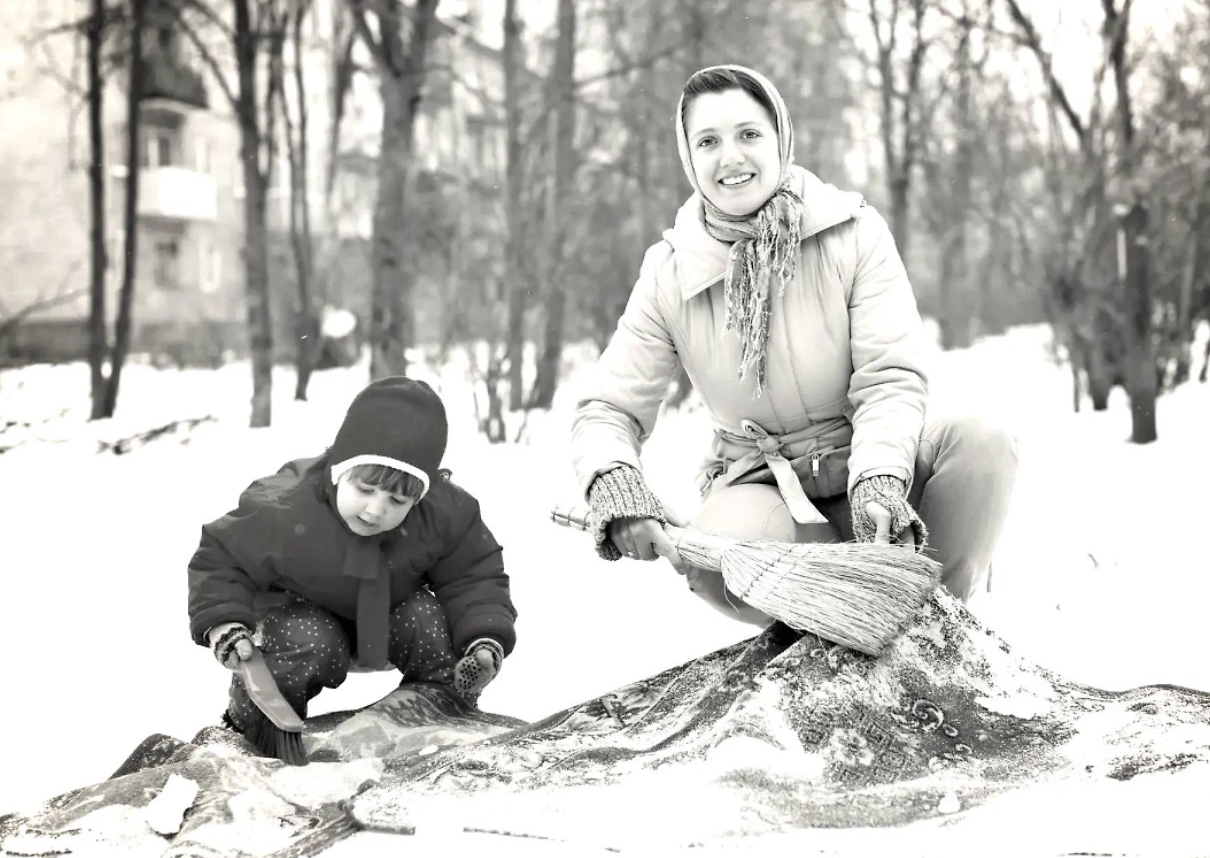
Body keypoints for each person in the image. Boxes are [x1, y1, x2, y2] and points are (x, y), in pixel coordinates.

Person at [570, 64, 1017, 625]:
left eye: (749, 134)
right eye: (708, 141)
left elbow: (890, 380)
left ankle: (936, 627)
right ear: (688, 157)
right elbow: (609, 408)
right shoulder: (670, 272)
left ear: (780, 137)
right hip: (764, 489)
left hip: (872, 467)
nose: (730, 156)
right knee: (717, 561)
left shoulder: (853, 233)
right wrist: (616, 484)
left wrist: (879, 480)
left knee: (982, 442)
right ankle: (835, 624)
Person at [189, 376, 517, 762]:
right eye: (364, 490)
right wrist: (224, 623)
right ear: (339, 470)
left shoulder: (444, 515)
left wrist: (484, 637)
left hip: (385, 614)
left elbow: (474, 573)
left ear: (420, 497)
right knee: (311, 637)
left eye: (396, 500)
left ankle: (440, 700)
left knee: (425, 615)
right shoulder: (283, 509)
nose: (375, 510)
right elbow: (222, 556)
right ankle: (252, 724)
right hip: (305, 619)